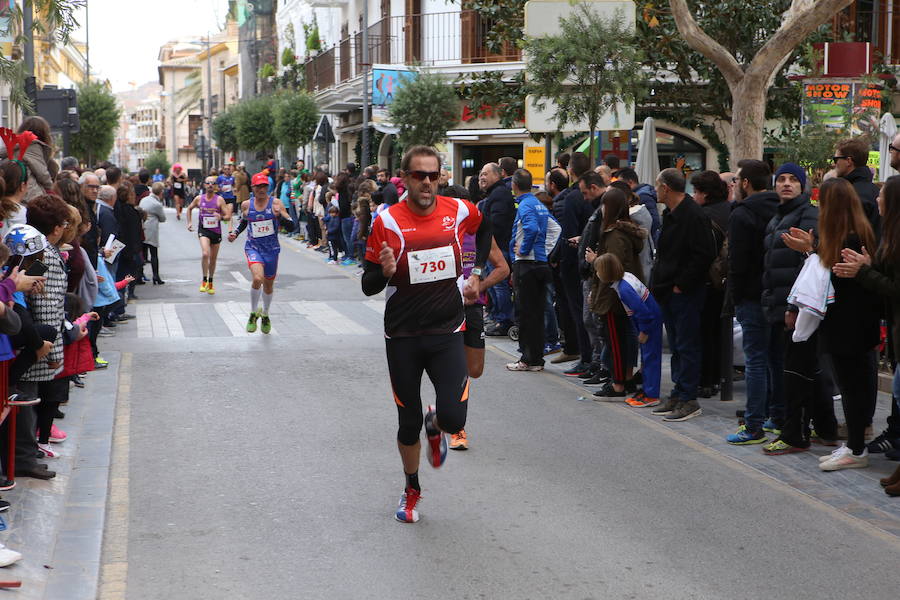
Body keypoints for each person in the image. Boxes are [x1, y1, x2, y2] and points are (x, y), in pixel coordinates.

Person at [361, 145, 492, 523]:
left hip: (448, 329)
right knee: (407, 421)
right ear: (405, 179)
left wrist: (478, 271)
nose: (428, 183)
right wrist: (383, 273)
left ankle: (438, 425)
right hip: (402, 335)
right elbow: (368, 285)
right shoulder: (386, 222)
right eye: (420, 175)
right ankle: (412, 489)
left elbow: (486, 229)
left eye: (434, 176)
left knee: (454, 419)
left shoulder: (459, 210)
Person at [782, 178, 879, 471]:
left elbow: (833, 275)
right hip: (850, 324)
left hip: (848, 325)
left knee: (852, 387)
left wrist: (813, 250)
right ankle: (853, 447)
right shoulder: (852, 233)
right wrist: (811, 248)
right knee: (852, 385)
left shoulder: (849, 237)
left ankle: (856, 449)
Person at [759, 162, 836, 455]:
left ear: (803, 185)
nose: (787, 184)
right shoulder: (777, 216)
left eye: (793, 179)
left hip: (801, 307)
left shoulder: (808, 215)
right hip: (781, 303)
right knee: (809, 371)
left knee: (797, 372)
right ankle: (826, 428)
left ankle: (795, 433)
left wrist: (793, 305)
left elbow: (812, 265)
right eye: (782, 179)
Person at [834, 176, 900, 491]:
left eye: (882, 194)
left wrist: (865, 271)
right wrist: (870, 266)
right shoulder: (889, 234)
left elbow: (894, 287)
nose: (877, 199)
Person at [649, 168, 716, 422]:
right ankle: (679, 392)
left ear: (666, 188)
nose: (656, 190)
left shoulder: (692, 214)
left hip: (684, 292)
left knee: (687, 345)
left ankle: (689, 397)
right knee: (677, 345)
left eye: (657, 186)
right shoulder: (671, 213)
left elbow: (704, 254)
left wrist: (682, 284)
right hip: (668, 289)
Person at [724, 160, 780, 444]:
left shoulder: (742, 213)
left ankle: (754, 424)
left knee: (755, 359)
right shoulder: (780, 207)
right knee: (772, 357)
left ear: (746, 183)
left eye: (736, 180)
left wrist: (735, 294)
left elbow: (737, 261)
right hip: (774, 293)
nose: (733, 185)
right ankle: (774, 415)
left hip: (751, 294)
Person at [582, 186, 645, 399]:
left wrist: (594, 260)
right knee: (623, 338)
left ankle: (618, 383)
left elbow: (613, 266)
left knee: (616, 340)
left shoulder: (615, 233)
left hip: (614, 295)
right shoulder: (625, 229)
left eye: (604, 204)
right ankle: (625, 378)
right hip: (622, 293)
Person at [506, 169, 561, 372]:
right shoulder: (538, 204)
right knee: (537, 314)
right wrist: (543, 251)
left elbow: (531, 229)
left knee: (526, 314)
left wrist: (525, 249)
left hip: (526, 266)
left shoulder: (526, 204)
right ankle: (536, 359)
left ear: (514, 184)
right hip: (540, 265)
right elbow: (556, 229)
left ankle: (527, 359)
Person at [596, 252, 663, 408]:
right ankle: (647, 390)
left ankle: (652, 394)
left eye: (598, 270)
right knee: (647, 358)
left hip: (649, 322)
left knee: (650, 358)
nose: (597, 273)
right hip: (650, 318)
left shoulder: (624, 289)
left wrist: (644, 331)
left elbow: (643, 312)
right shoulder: (625, 278)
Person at [228, 172, 289, 334]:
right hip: (253, 248)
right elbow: (244, 222)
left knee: (268, 286)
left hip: (272, 250)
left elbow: (292, 226)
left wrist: (279, 217)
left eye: (264, 186)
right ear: (253, 188)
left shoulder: (276, 203)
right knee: (257, 278)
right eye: (258, 186)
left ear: (267, 187)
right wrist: (235, 233)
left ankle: (266, 314)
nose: (262, 189)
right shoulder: (246, 205)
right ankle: (253, 313)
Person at [690, 170, 731, 400]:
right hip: (725, 281)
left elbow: (700, 253)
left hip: (707, 280)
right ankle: (718, 377)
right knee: (718, 333)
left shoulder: (702, 215)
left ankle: (706, 380)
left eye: (695, 191)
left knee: (704, 333)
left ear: (704, 194)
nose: (693, 196)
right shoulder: (730, 209)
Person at [479, 162, 516, 335]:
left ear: (498, 175)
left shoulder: (500, 194)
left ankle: (504, 320)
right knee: (493, 286)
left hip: (498, 249)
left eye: (486, 173)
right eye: (481, 174)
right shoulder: (494, 193)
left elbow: (497, 224)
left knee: (499, 285)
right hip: (492, 248)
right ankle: (497, 316)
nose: (482, 177)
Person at [186, 176, 227, 295]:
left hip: (216, 232)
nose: (210, 185)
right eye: (208, 183)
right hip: (203, 230)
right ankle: (204, 280)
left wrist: (222, 217)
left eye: (212, 183)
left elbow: (228, 216)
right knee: (205, 254)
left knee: (213, 259)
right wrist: (189, 222)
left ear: (215, 186)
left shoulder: (219, 200)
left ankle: (210, 282)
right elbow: (189, 209)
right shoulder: (199, 199)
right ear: (204, 185)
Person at [0, 118, 56, 203]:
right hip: (30, 194)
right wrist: (50, 186)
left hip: (12, 192)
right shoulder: (33, 147)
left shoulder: (14, 146)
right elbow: (42, 172)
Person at [834, 137, 881, 237]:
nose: (834, 164)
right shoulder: (876, 190)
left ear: (848, 161)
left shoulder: (850, 194)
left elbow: (848, 237)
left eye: (836, 159)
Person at [617, 167, 660, 243]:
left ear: (630, 182)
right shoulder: (639, 194)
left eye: (621, 184)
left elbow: (654, 221)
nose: (620, 188)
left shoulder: (643, 196)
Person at [140, 181, 167, 284]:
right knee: (154, 254)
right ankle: (156, 276)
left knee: (142, 252)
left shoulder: (144, 200)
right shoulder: (157, 204)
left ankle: (140, 274)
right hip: (152, 229)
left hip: (142, 228)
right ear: (160, 192)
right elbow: (163, 218)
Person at [216, 164, 237, 232]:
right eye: (225, 169)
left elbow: (234, 185)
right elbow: (216, 187)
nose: (227, 170)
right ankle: (217, 228)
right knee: (222, 214)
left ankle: (230, 230)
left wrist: (234, 189)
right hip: (222, 198)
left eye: (228, 169)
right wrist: (221, 189)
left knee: (229, 213)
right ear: (223, 170)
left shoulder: (232, 178)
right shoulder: (220, 178)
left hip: (230, 197)